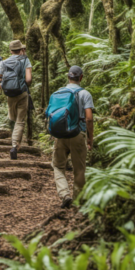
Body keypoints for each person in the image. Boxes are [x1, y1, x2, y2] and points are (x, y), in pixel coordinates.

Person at [51, 65, 94, 209]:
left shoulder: (58, 92)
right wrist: (90, 138)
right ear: (81, 77)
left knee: (57, 165)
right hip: (78, 134)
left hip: (61, 134)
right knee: (79, 169)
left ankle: (64, 194)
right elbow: (89, 118)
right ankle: (78, 201)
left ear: (68, 77)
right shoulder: (85, 94)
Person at [0, 40, 32, 160]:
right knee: (20, 121)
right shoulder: (25, 60)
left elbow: (0, 79)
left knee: (13, 119)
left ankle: (16, 143)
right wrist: (23, 85)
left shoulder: (3, 62)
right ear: (21, 49)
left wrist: (4, 87)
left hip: (9, 94)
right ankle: (14, 146)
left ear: (10, 50)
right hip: (22, 93)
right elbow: (29, 79)